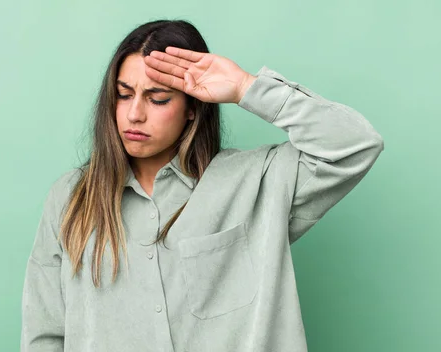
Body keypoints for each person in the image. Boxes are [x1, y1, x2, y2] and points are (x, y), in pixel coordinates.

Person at [20, 19, 384, 352]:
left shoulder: (258, 181)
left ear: (192, 107)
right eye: (124, 94)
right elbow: (45, 334)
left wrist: (246, 88)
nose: (134, 114)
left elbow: (355, 144)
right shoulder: (69, 199)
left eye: (158, 98)